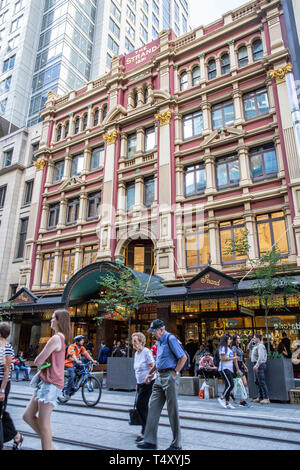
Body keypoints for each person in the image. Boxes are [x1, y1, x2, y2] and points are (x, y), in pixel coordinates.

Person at [22, 310, 72, 450]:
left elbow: (38, 360)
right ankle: (50, 444)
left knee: (44, 423)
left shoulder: (56, 338)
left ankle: (48, 446)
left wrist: (40, 362)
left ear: (59, 321)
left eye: (52, 318)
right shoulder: (61, 338)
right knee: (28, 416)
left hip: (50, 384)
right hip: (47, 382)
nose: (50, 320)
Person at [137, 319, 187, 451]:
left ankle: (177, 445)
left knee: (172, 411)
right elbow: (159, 361)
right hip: (159, 377)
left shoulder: (170, 339)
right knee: (153, 407)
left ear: (161, 329)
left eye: (154, 331)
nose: (153, 334)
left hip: (170, 376)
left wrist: (175, 373)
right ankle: (149, 441)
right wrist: (150, 373)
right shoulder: (159, 341)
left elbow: (183, 357)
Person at [0, 322, 24, 450]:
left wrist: (2, 390)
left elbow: (7, 370)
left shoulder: (7, 348)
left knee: (1, 412)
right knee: (1, 412)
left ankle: (16, 436)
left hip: (2, 384)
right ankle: (16, 436)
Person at [132, 332, 156, 443]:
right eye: (133, 341)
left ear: (141, 342)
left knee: (140, 404)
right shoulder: (136, 354)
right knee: (142, 405)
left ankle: (145, 430)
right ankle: (147, 428)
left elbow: (154, 365)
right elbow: (137, 371)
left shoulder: (146, 352)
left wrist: (149, 375)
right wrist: (137, 384)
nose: (133, 343)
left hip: (149, 383)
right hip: (141, 383)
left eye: (135, 341)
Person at [217, 334, 237, 409]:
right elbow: (223, 358)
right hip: (224, 368)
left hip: (229, 368)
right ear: (225, 340)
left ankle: (227, 402)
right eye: (229, 339)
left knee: (228, 385)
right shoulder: (222, 348)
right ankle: (222, 397)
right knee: (230, 384)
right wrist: (233, 358)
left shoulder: (227, 348)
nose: (230, 340)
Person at [250, 334, 270, 404]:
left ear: (258, 339)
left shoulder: (260, 346)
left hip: (259, 365)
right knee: (257, 381)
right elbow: (248, 347)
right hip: (256, 364)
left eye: (254, 338)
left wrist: (257, 365)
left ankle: (266, 398)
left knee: (261, 381)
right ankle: (260, 396)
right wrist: (251, 342)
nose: (253, 339)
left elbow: (261, 357)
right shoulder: (256, 345)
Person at [231, 334, 249, 407]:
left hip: (241, 364)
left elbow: (241, 358)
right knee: (242, 383)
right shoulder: (234, 347)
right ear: (235, 340)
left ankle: (232, 394)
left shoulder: (239, 347)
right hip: (237, 366)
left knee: (244, 383)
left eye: (239, 338)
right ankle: (242, 401)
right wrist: (237, 369)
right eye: (238, 338)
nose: (239, 339)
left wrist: (245, 366)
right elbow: (235, 358)